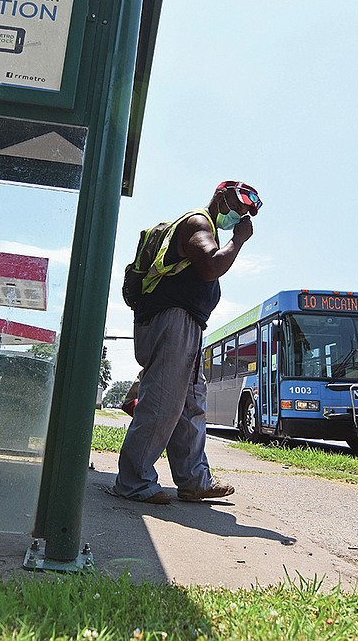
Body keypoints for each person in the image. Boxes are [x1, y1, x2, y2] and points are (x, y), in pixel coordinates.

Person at [113, 180, 261, 504]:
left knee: (192, 403)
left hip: (186, 325)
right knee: (163, 401)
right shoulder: (198, 222)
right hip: (172, 320)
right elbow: (210, 266)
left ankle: (194, 480)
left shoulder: (205, 227)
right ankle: (133, 480)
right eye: (237, 206)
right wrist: (239, 240)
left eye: (246, 212)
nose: (239, 214)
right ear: (220, 196)